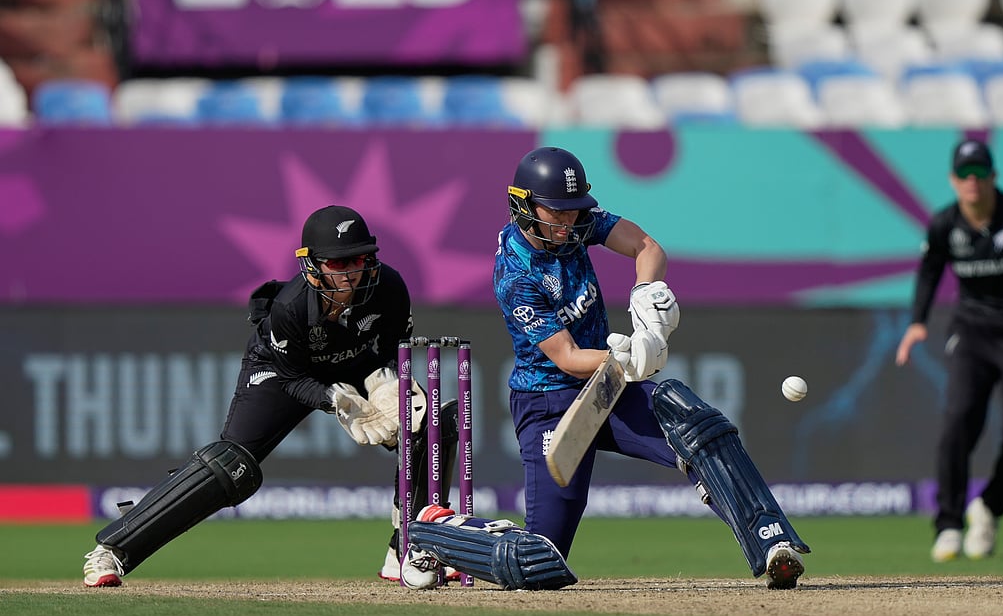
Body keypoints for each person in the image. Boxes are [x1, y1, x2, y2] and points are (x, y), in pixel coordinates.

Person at [487, 146, 810, 589]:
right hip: (550, 403)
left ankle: (772, 542)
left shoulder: (579, 224)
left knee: (693, 424)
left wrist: (645, 292)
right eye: (555, 213)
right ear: (523, 205)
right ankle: (442, 536)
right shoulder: (515, 275)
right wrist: (628, 354)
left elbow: (645, 246)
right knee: (540, 561)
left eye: (573, 211)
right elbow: (566, 358)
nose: (567, 224)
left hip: (609, 389)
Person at [82, 204, 446, 586]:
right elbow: (293, 379)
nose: (352, 273)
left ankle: (409, 549)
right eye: (339, 264)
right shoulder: (289, 307)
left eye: (359, 259)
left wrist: (384, 382)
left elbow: (390, 348)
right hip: (281, 371)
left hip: (355, 366)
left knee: (427, 425)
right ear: (312, 265)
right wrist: (336, 401)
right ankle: (113, 550)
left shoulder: (390, 287)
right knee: (228, 464)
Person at [895, 139, 1003, 562]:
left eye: (980, 173)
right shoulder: (944, 225)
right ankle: (949, 523)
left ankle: (989, 506)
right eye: (965, 175)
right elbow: (930, 270)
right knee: (958, 423)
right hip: (972, 332)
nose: (972, 182)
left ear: (993, 177)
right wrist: (918, 322)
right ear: (954, 180)